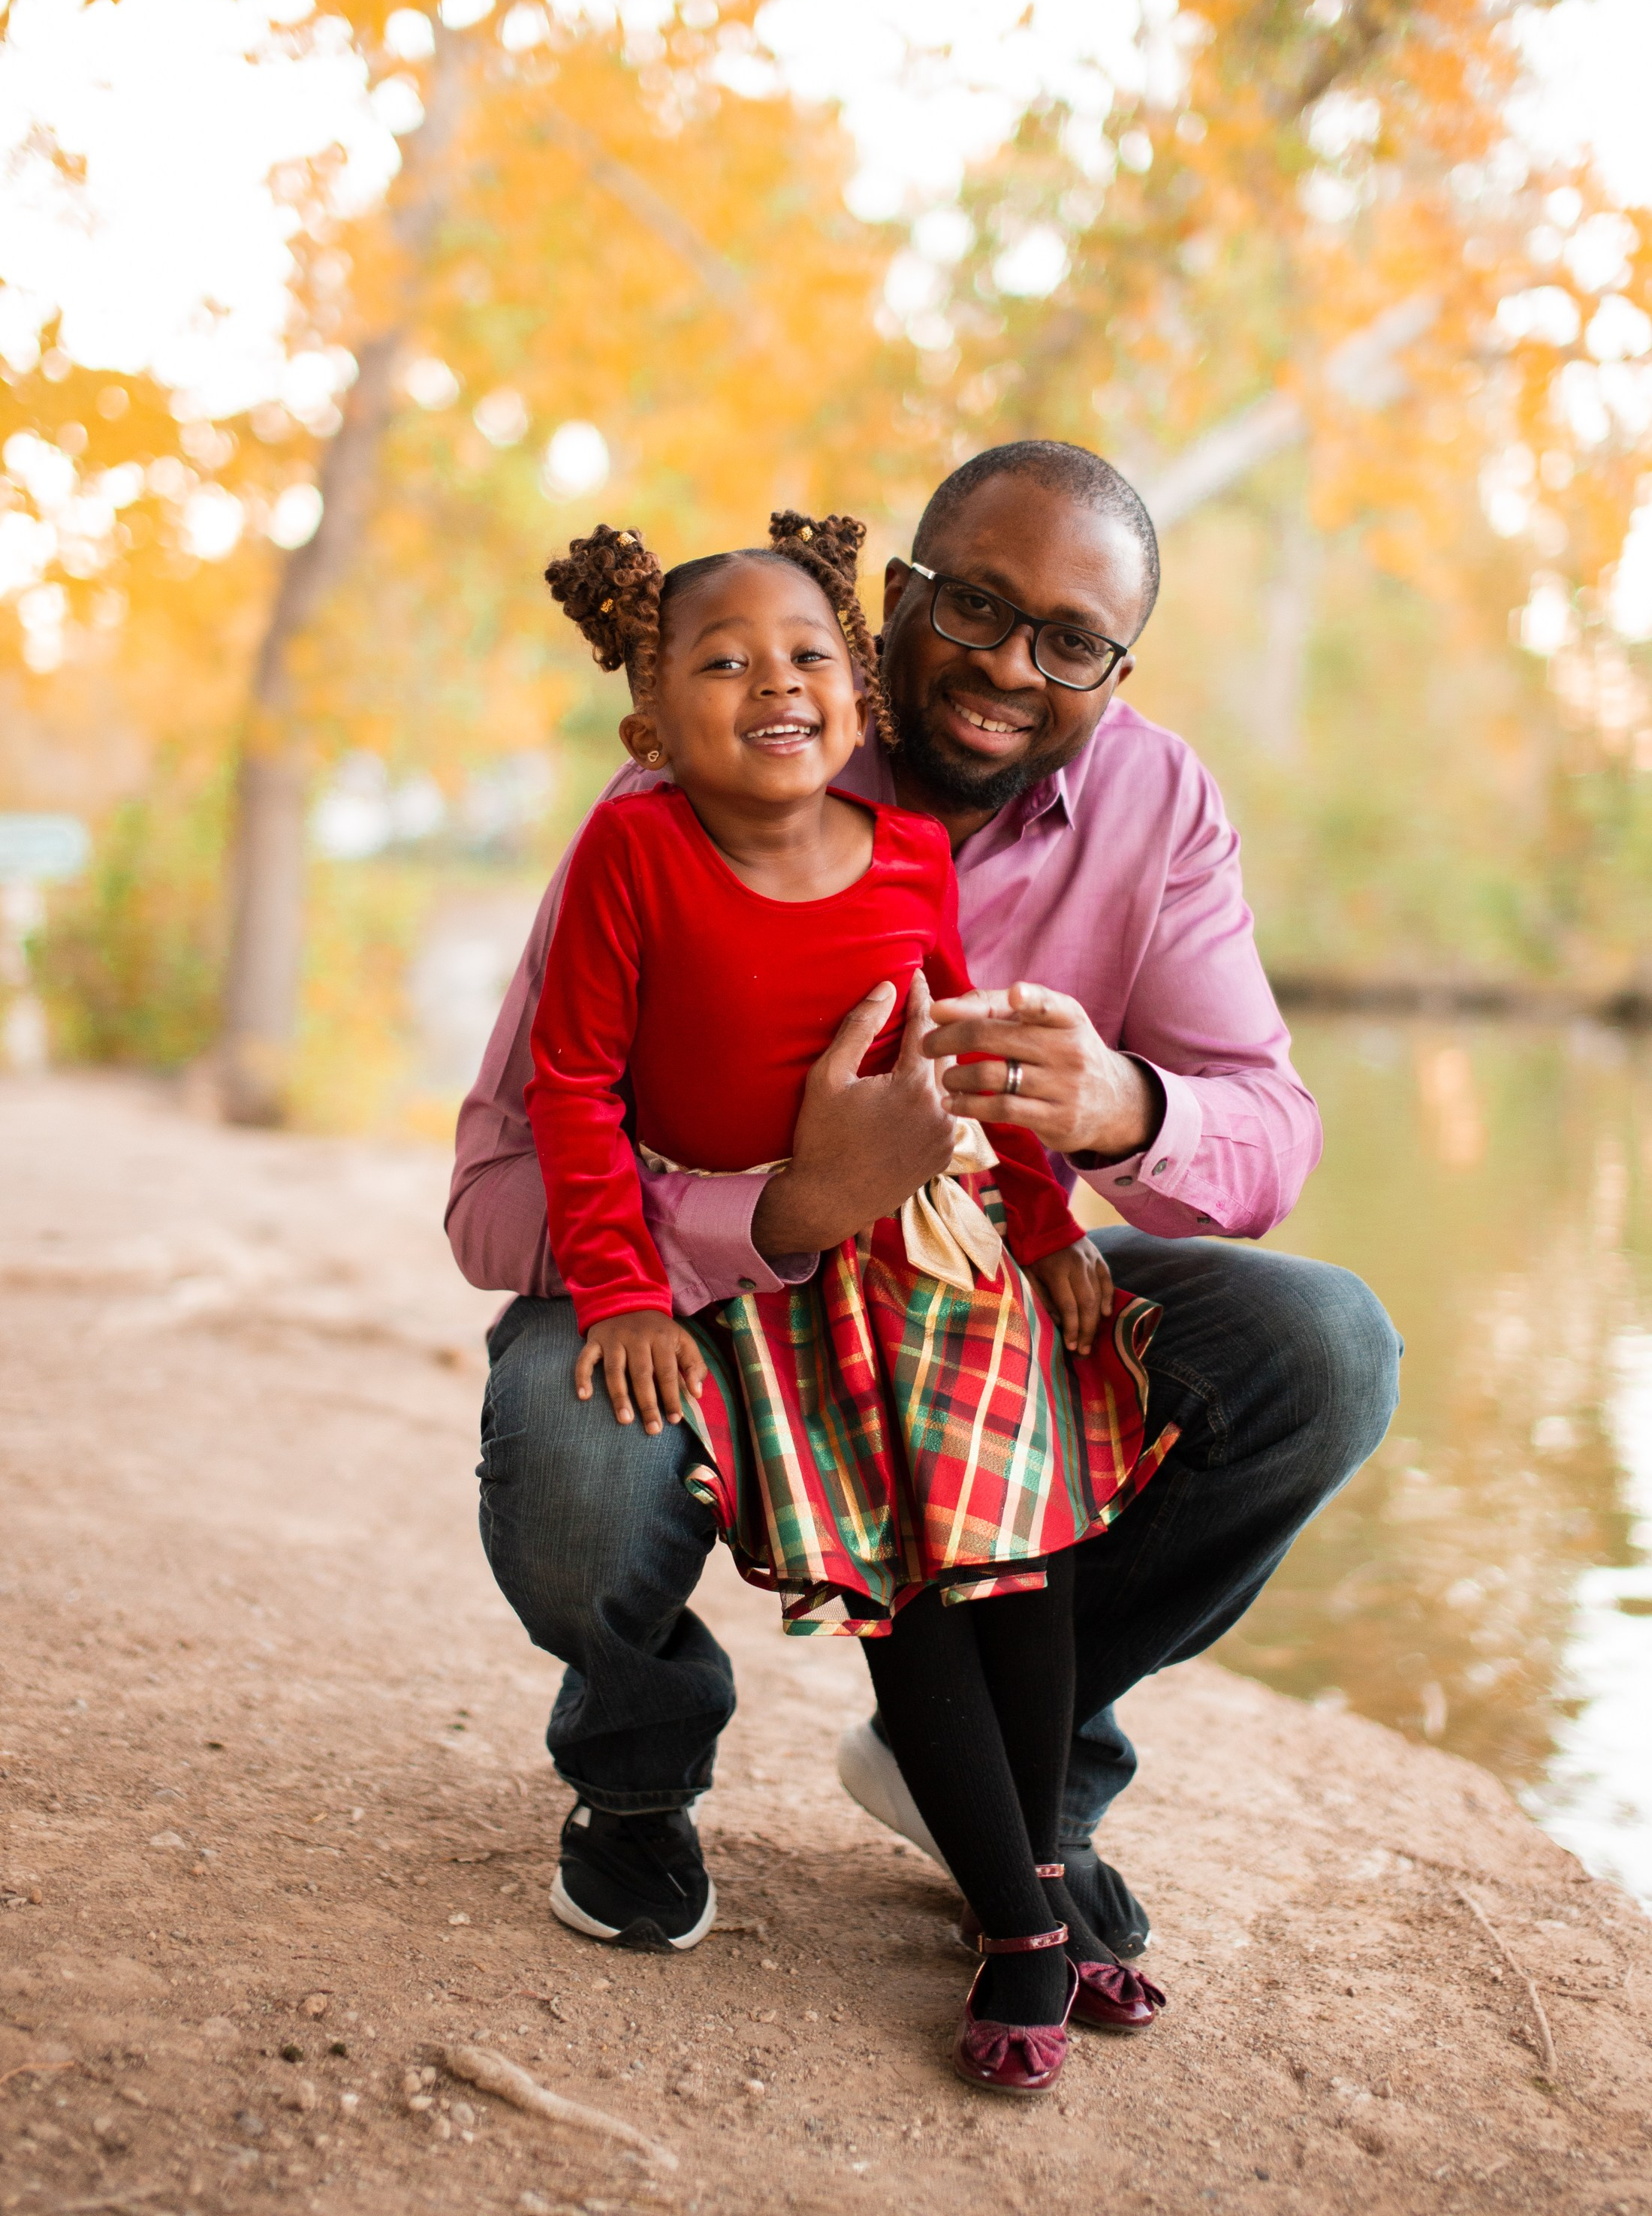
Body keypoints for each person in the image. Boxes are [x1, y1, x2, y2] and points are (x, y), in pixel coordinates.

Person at [447, 437, 1400, 1978]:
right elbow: (496, 1195)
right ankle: (636, 1770)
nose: (1012, 667)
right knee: (573, 1457)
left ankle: (1015, 1773)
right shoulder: (689, 792)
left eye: (1072, 641)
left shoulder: (1155, 800)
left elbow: (1270, 1137)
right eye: (976, 606)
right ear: (898, 593)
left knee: (1328, 1348)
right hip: (706, 1297)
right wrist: (782, 1211)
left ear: (1117, 667)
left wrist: (1118, 1108)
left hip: (965, 1288)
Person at [525, 509, 1166, 2088]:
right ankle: (1021, 1932)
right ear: (648, 722)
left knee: (1024, 1559)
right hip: (784, 1284)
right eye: (723, 663)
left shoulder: (906, 854)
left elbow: (960, 1052)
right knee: (913, 1586)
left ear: (856, 691)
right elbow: (571, 1090)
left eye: (807, 654)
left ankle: (1030, 1874)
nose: (774, 683)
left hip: (946, 1253)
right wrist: (623, 1293)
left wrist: (1046, 1226)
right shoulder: (632, 852)